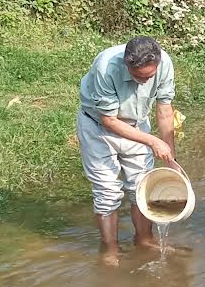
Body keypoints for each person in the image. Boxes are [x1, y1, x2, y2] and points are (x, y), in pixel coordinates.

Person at [77, 36, 179, 266]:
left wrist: (170, 156)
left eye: (149, 77)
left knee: (142, 186)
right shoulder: (106, 67)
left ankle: (144, 239)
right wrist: (152, 142)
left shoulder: (165, 64)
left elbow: (164, 110)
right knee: (107, 191)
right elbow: (109, 121)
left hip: (136, 123)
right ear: (126, 64)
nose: (144, 82)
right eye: (138, 77)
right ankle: (110, 248)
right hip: (98, 128)